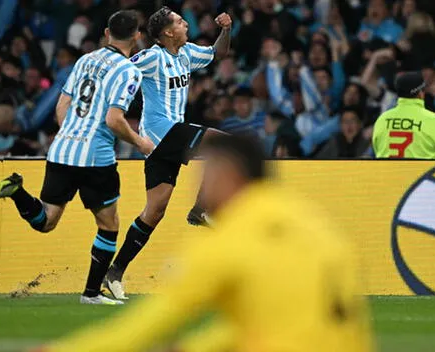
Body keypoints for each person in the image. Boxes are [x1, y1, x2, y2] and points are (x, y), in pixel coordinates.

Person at [35, 134, 373, 352]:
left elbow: (147, 326)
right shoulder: (317, 224)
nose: (202, 185)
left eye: (207, 174)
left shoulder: (229, 240)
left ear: (228, 177)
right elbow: (271, 323)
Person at [0, 10, 154, 305]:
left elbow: (62, 104)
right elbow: (114, 120)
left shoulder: (85, 60)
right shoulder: (129, 71)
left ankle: (18, 192)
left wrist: (73, 132)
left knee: (46, 221)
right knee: (109, 225)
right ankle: (91, 294)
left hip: (61, 149)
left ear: (106, 34)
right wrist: (140, 143)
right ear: (137, 37)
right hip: (95, 157)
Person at [104, 7, 232, 300]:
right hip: (164, 132)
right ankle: (202, 209)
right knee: (224, 146)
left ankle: (113, 274)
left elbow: (217, 54)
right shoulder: (152, 57)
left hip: (162, 143)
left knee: (154, 211)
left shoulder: (186, 54)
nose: (185, 22)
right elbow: (125, 68)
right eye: (179, 20)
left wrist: (226, 30)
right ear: (167, 33)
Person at [372, 72, 435, 159]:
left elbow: (377, 150)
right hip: (423, 172)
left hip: (388, 172)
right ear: (421, 93)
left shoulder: (382, 120)